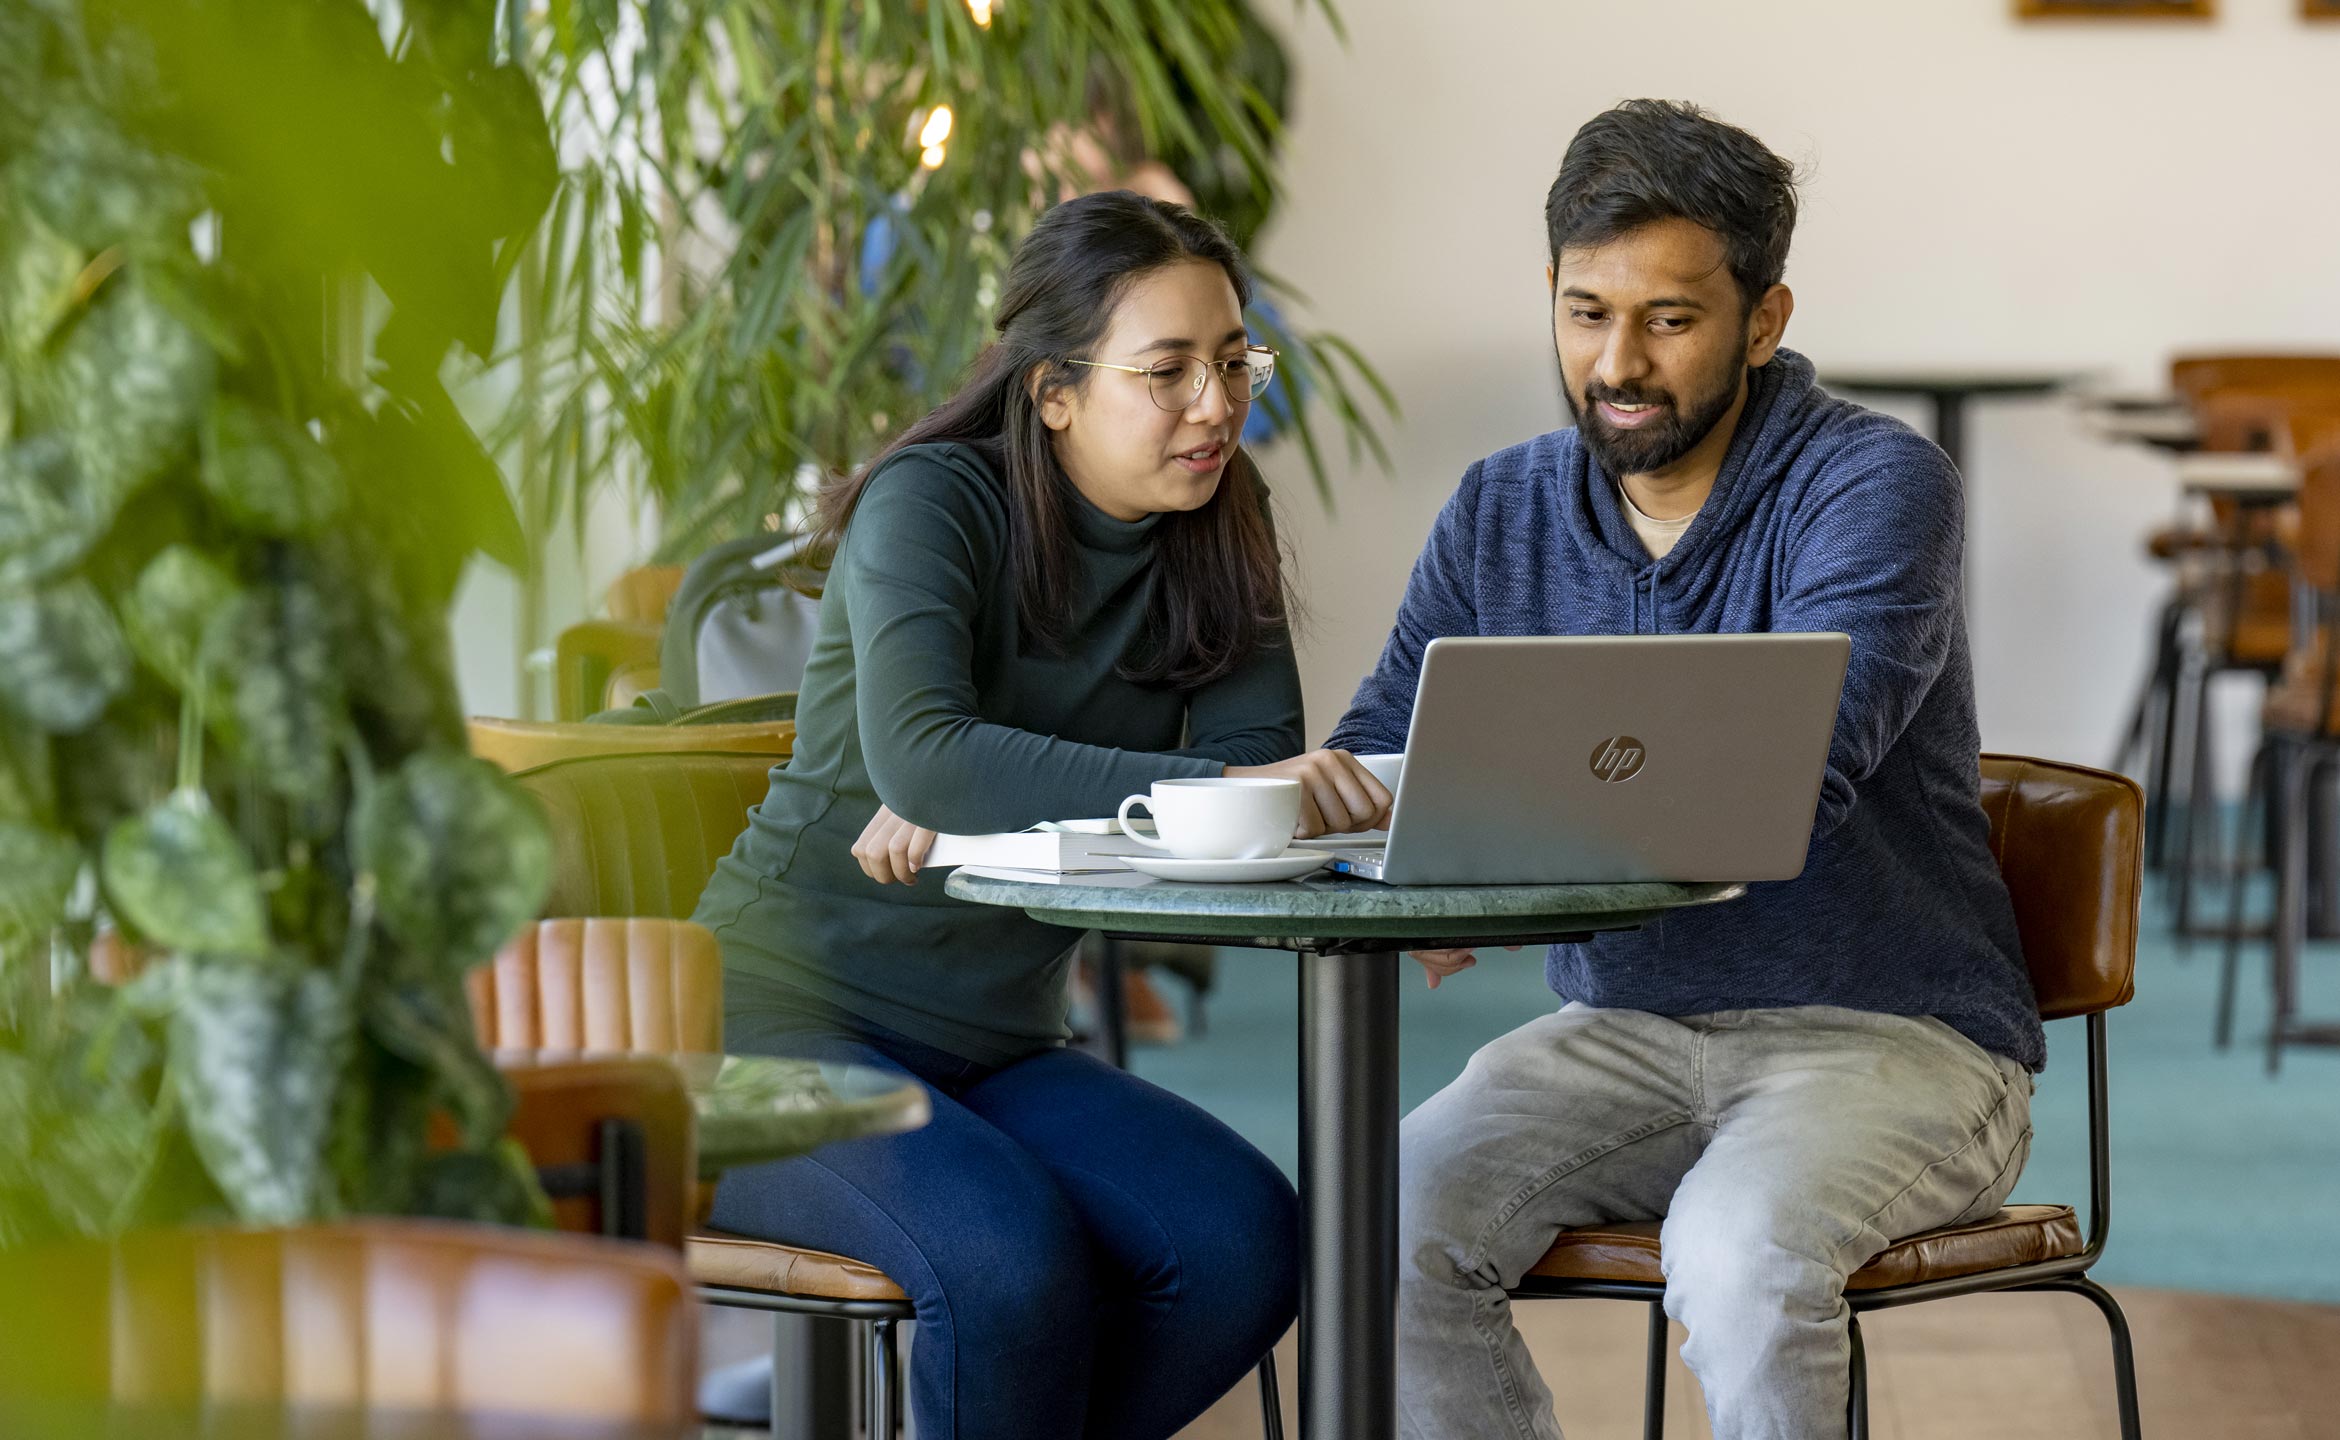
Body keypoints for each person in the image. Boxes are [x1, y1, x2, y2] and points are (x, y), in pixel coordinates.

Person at [1326, 101, 2040, 1440]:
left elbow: (1789, 774)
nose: (1618, 363)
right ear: (1549, 292)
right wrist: (1356, 804)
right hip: (1624, 1034)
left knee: (1738, 1255)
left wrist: (1490, 827)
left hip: (1896, 1037)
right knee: (1376, 1221)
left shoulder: (1876, 486)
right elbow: (1382, 744)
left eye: (1670, 318)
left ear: (1764, 321)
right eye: (1587, 312)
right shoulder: (1503, 504)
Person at [694, 189, 1392, 1440]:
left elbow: (1252, 771)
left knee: (1240, 1244)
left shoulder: (1220, 517)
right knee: (1008, 1265)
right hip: (769, 1018)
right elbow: (930, 759)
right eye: (1167, 370)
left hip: (1000, 1038)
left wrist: (1003, 799)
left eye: (1235, 362)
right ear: (1053, 389)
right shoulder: (934, 500)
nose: (1217, 405)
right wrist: (995, 791)